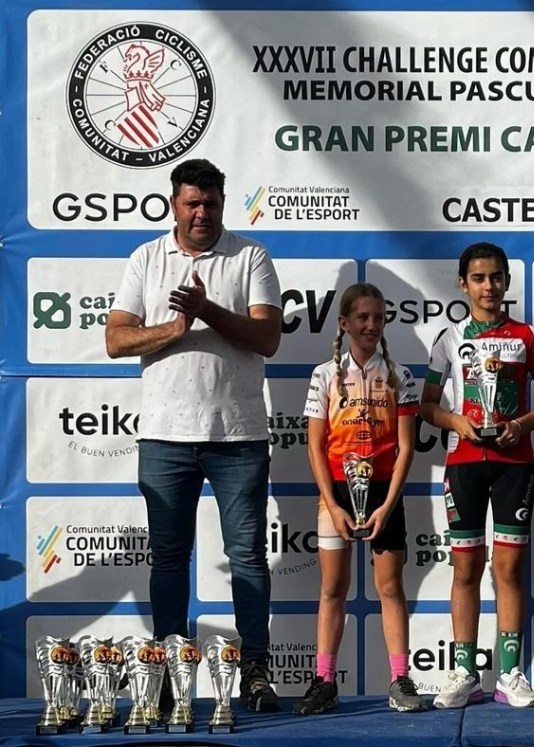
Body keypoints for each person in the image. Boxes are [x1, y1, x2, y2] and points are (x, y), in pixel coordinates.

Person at [106, 158, 282, 712]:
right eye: (192, 203)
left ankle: (255, 671)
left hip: (238, 436)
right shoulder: (146, 258)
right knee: (168, 558)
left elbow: (268, 337)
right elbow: (116, 340)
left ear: (223, 203)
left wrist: (208, 309)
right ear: (174, 205)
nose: (202, 212)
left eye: (211, 203)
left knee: (247, 557)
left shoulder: (250, 256)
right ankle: (166, 675)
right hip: (165, 435)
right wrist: (176, 328)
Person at [420, 242, 534, 709]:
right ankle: (465, 672)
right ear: (463, 284)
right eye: (479, 278)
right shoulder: (449, 338)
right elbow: (427, 405)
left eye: (496, 277)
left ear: (507, 281)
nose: (489, 286)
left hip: (513, 464)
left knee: (509, 569)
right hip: (463, 463)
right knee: (465, 568)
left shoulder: (526, 336)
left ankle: (510, 673)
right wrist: (455, 421)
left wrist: (520, 425)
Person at [294, 283, 424, 715]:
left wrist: (388, 505)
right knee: (333, 588)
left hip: (385, 491)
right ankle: (324, 680)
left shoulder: (400, 375)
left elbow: (406, 448)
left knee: (390, 588)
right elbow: (315, 447)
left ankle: (400, 679)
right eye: (363, 317)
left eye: (379, 317)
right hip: (336, 491)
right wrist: (332, 505)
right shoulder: (324, 375)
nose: (372, 325)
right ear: (344, 323)